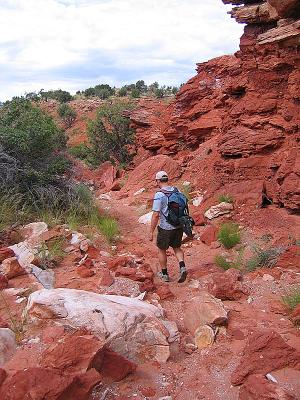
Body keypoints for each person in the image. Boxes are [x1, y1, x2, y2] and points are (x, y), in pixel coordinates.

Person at [149, 170, 187, 283]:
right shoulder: (177, 190)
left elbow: (156, 215)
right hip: (178, 226)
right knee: (177, 248)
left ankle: (165, 274)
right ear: (167, 179)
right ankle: (182, 267)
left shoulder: (159, 195)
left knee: (161, 250)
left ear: (158, 181)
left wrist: (151, 231)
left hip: (165, 227)